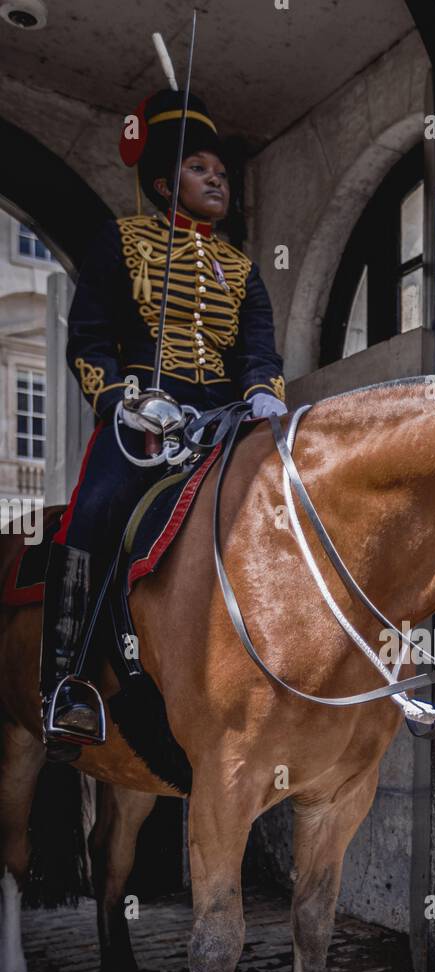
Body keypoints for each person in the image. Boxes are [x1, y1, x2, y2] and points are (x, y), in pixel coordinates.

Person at [42, 89, 286, 759]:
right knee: (91, 514)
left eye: (222, 173)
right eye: (199, 169)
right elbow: (88, 340)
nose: (217, 181)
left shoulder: (241, 268)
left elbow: (258, 351)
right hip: (143, 416)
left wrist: (264, 393)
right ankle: (68, 683)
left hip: (225, 419)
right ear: (161, 182)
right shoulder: (122, 240)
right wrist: (121, 398)